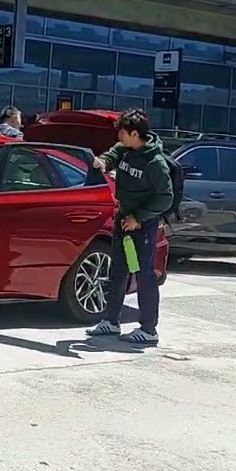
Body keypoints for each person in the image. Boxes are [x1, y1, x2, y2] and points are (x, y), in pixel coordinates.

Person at [85, 108, 175, 345]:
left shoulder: (156, 163)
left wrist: (140, 218)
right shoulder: (126, 149)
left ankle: (148, 329)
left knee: (144, 274)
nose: (119, 139)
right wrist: (103, 162)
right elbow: (112, 154)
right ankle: (110, 321)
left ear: (135, 134)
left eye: (123, 134)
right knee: (118, 271)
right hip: (123, 221)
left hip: (142, 226)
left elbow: (165, 197)